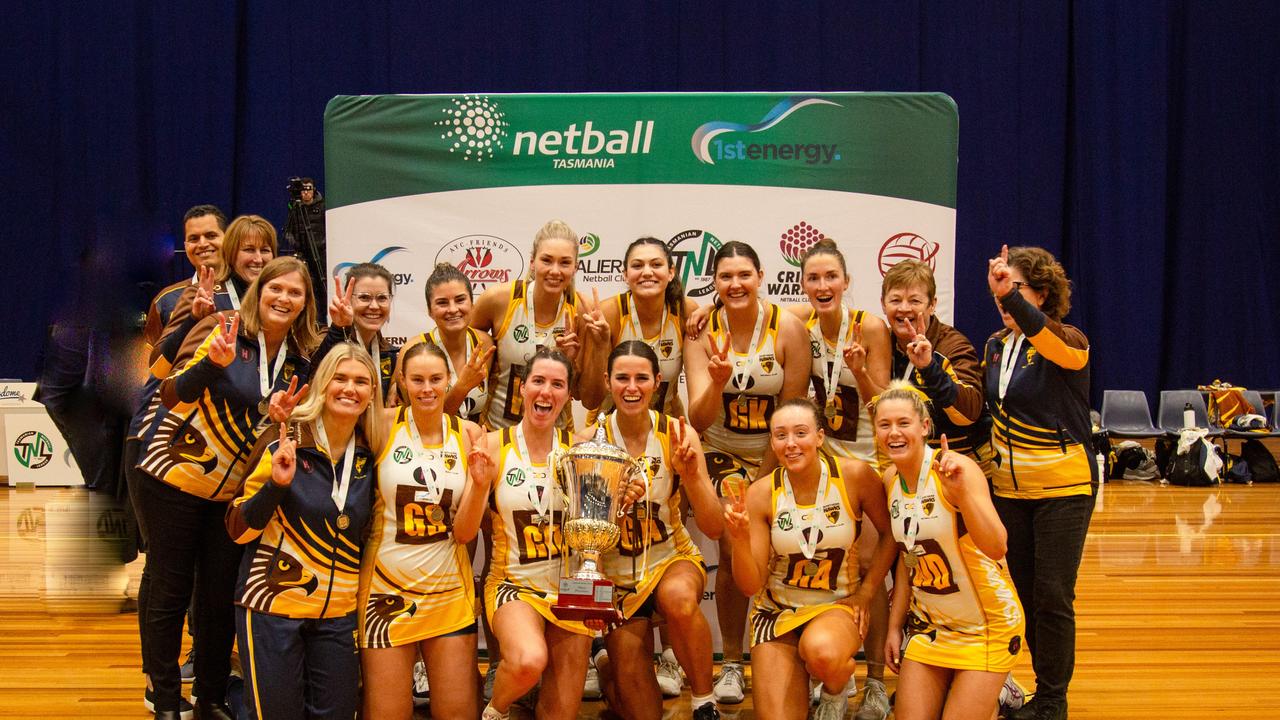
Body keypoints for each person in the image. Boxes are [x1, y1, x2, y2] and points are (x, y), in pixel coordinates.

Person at [133, 256, 320, 720]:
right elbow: (169, 392)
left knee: (217, 595)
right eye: (276, 288)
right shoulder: (224, 326)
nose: (283, 298)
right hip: (171, 475)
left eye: (294, 293)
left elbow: (270, 435)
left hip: (227, 492)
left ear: (304, 304)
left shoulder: (296, 361)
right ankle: (165, 697)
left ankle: (212, 696)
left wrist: (279, 422)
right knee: (170, 587)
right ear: (260, 292)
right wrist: (209, 368)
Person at [227, 343, 385, 720]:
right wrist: (276, 486)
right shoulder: (286, 439)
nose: (350, 389)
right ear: (322, 384)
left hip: (338, 613)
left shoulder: (371, 453)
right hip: (273, 606)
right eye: (340, 378)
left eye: (361, 382)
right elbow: (237, 530)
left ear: (372, 394)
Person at [684, 241, 810, 704]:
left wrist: (766, 475)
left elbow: (794, 410)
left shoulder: (788, 328)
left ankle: (793, 650)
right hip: (721, 450)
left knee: (790, 543)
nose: (735, 284)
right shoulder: (700, 330)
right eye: (725, 277)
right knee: (732, 541)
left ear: (760, 277)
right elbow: (698, 420)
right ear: (714, 283)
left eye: (744, 275)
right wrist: (716, 382)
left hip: (779, 449)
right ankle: (733, 662)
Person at [722, 398, 895, 720]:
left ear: (819, 436)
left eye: (800, 433)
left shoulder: (855, 476)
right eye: (780, 435)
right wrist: (740, 540)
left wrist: (867, 592)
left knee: (822, 652)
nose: (790, 444)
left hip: (835, 606)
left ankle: (833, 691)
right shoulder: (761, 493)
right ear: (771, 442)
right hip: (775, 613)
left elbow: (891, 534)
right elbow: (749, 586)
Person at [582, 341, 723, 720]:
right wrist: (614, 502)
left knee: (679, 598)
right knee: (640, 710)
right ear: (607, 381)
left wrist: (692, 475)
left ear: (658, 381)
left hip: (669, 558)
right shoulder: (587, 443)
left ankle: (704, 702)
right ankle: (608, 666)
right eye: (622, 378)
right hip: (615, 575)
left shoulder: (678, 433)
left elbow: (712, 525)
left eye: (641, 378)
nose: (632, 387)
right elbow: (582, 538)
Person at [124, 204, 227, 713]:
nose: (203, 244)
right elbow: (156, 366)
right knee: (166, 575)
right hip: (160, 443)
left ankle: (208, 681)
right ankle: (161, 687)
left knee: (212, 585)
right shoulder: (169, 297)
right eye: (193, 237)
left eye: (212, 235)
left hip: (224, 460)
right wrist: (191, 319)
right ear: (184, 245)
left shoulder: (257, 293)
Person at [872, 382, 1025, 720]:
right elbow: (906, 559)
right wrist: (895, 627)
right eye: (885, 425)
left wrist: (964, 496)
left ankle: (997, 689)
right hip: (932, 626)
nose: (894, 433)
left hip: (987, 626)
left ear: (925, 427)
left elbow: (998, 545)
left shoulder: (956, 469)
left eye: (903, 423)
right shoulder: (889, 480)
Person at [984, 246, 1093, 720]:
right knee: (1025, 598)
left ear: (1042, 294)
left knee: (1053, 595)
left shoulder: (1067, 338)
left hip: (1063, 491)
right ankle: (1039, 690)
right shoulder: (993, 346)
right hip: (1009, 493)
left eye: (1016, 288)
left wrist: (1014, 300)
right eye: (1000, 290)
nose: (1004, 299)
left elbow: (1053, 344)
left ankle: (1053, 702)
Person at [359, 341, 488, 720]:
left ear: (450, 380)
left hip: (448, 591)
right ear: (401, 381)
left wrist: (480, 487)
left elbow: (464, 534)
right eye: (417, 379)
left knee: (457, 713)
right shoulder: (380, 424)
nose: (427, 388)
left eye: (436, 378)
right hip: (385, 591)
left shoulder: (469, 435)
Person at [476, 348, 592, 720]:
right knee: (529, 659)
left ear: (568, 395)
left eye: (557, 384)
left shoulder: (580, 453)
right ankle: (496, 710)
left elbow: (595, 533)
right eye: (538, 381)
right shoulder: (492, 445)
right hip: (514, 583)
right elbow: (464, 531)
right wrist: (478, 487)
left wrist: (622, 498)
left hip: (570, 587)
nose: (546, 392)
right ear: (522, 388)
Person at [470, 219, 593, 430]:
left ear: (575, 267)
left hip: (557, 436)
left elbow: (584, 395)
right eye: (547, 260)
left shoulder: (582, 310)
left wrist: (571, 362)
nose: (555, 270)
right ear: (532, 262)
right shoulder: (498, 300)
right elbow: (466, 348)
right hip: (498, 431)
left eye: (564, 262)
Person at [881, 259, 989, 467]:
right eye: (895, 300)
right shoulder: (881, 344)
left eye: (914, 301)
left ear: (932, 305)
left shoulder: (953, 346)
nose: (904, 309)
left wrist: (929, 367)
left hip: (960, 463)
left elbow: (970, 413)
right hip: (909, 465)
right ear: (883, 305)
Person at [149, 214, 278, 380]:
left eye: (265, 250)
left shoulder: (279, 299)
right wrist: (193, 319)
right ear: (231, 254)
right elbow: (157, 366)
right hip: (201, 401)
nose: (258, 259)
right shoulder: (200, 294)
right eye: (249, 250)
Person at [578, 237, 692, 418]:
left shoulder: (686, 311)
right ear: (625, 275)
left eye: (656, 265)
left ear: (671, 273)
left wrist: (711, 307)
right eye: (637, 266)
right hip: (611, 426)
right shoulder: (609, 313)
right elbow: (589, 400)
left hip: (665, 424)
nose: (647, 272)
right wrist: (600, 346)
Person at [397, 262, 496, 424]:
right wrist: (462, 386)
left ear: (472, 304)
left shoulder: (483, 343)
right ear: (429, 310)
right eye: (442, 302)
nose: (452, 309)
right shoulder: (412, 352)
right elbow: (421, 423)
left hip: (474, 443)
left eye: (460, 300)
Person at [325, 263, 401, 401]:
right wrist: (338, 328)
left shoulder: (391, 356)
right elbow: (315, 377)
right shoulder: (330, 343)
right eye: (364, 297)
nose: (374, 306)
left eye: (382, 298)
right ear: (349, 299)